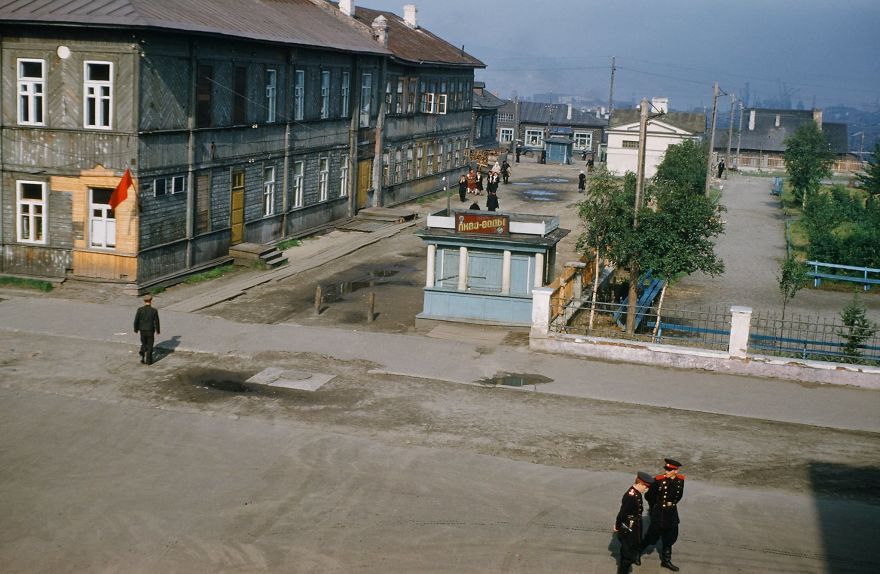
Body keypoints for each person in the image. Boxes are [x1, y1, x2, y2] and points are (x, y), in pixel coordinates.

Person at [641, 458, 685, 571]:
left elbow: (679, 496)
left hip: (672, 512)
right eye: (666, 469)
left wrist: (671, 505)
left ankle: (666, 561)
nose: (666, 472)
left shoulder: (680, 480)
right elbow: (649, 496)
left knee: (670, 537)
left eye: (669, 470)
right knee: (651, 535)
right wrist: (654, 507)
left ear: (676, 471)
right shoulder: (658, 480)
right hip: (659, 512)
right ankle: (636, 554)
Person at [615, 472, 654, 574]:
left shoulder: (636, 493)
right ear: (640, 483)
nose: (646, 489)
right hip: (629, 527)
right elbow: (622, 514)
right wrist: (618, 526)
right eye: (645, 487)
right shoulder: (630, 495)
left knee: (629, 551)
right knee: (628, 556)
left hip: (635, 526)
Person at [133, 293, 161, 365]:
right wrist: (158, 330)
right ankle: (149, 361)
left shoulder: (140, 310)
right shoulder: (154, 310)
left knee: (143, 344)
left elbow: (136, 320)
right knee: (150, 345)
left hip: (142, 330)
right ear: (151, 300)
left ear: (144, 301)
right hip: (150, 330)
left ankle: (142, 357)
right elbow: (156, 321)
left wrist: (136, 329)